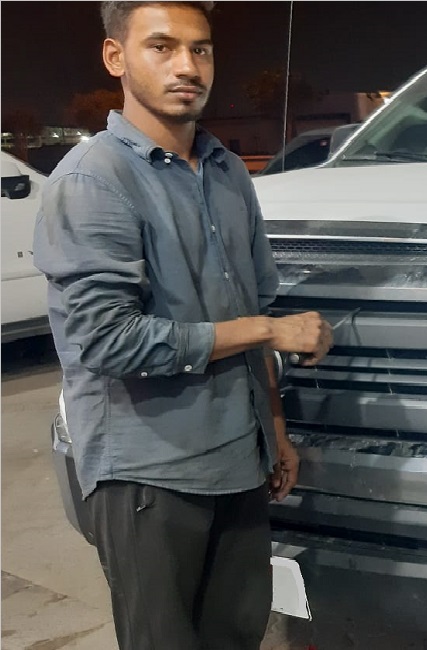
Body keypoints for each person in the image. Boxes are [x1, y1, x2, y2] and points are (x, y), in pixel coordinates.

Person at [32, 2, 333, 648]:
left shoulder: (227, 172)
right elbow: (107, 340)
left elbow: (250, 303)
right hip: (150, 474)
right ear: (116, 57)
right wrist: (268, 332)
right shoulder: (94, 179)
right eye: (162, 47)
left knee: (237, 637)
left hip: (240, 462)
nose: (187, 67)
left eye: (201, 49)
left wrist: (275, 431)